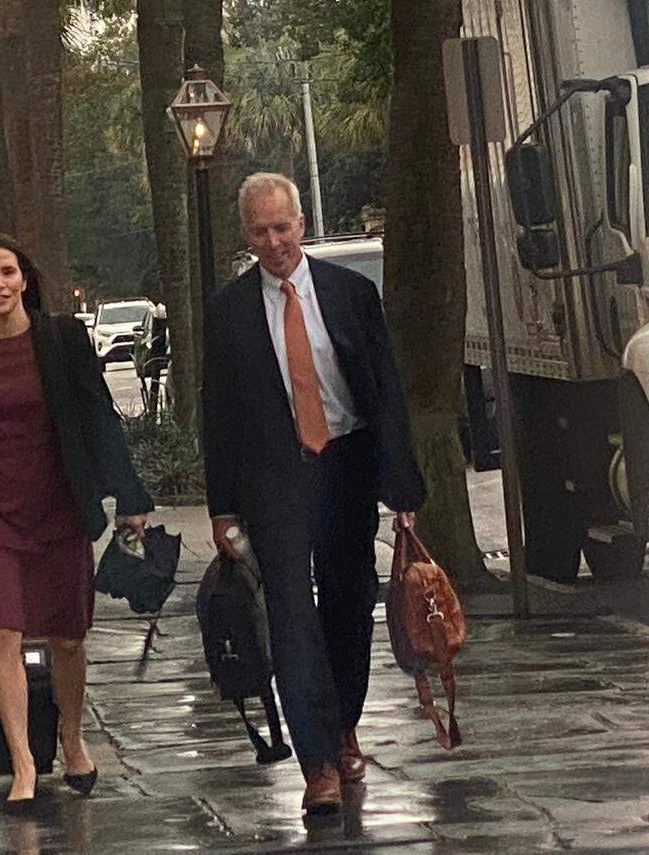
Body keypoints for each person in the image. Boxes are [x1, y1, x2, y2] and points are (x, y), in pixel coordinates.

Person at [202, 173, 425, 815]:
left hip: (346, 465)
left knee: (350, 606)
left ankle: (345, 724)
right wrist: (223, 506)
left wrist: (401, 486)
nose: (273, 242)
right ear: (246, 233)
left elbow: (385, 393)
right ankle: (318, 763)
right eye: (259, 231)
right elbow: (218, 413)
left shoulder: (351, 294)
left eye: (283, 227)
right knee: (293, 617)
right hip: (275, 477)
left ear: (302, 224)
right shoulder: (230, 312)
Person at [0, 232, 153, 804]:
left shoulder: (61, 338)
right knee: (2, 630)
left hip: (57, 505)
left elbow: (98, 415)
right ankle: (22, 761)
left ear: (24, 279)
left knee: (67, 638)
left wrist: (129, 495)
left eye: (7, 273)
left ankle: (71, 739)